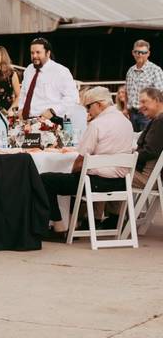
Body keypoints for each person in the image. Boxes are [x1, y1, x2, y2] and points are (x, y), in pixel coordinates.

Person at [39, 86, 133, 241]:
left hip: (95, 183)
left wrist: (70, 172)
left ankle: (59, 227)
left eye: (89, 107)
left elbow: (80, 160)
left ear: (100, 104)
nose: (88, 111)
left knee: (45, 179)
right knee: (70, 177)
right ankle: (75, 223)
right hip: (122, 183)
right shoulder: (126, 122)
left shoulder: (97, 124)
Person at [103, 87, 163, 228]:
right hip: (150, 174)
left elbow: (150, 151)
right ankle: (115, 217)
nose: (140, 106)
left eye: (144, 102)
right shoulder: (158, 120)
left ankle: (113, 219)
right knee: (111, 168)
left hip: (147, 177)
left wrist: (124, 157)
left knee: (106, 171)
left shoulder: (160, 121)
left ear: (157, 100)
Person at [16, 37, 79, 123]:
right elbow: (23, 92)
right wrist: (20, 108)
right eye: (32, 53)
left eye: (38, 52)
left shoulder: (61, 71)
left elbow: (72, 98)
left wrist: (53, 111)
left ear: (48, 53)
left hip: (50, 121)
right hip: (27, 121)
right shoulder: (28, 70)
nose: (34, 56)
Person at [124, 40, 163, 132]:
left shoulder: (156, 70)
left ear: (148, 53)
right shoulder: (130, 71)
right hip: (132, 113)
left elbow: (160, 94)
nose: (140, 55)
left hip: (147, 115)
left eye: (143, 52)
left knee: (147, 141)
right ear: (133, 53)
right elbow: (127, 91)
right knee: (134, 141)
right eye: (137, 52)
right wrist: (126, 109)